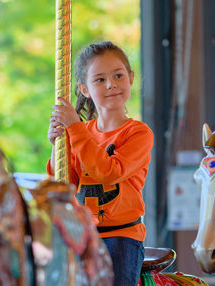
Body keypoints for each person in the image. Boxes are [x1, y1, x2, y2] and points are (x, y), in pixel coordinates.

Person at [47, 41, 154, 286]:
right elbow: (65, 184)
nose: (111, 84)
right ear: (84, 88)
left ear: (131, 78)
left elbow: (109, 172)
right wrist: (56, 146)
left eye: (118, 75)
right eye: (99, 80)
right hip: (80, 234)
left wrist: (74, 128)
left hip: (121, 236)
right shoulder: (80, 132)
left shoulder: (138, 133)